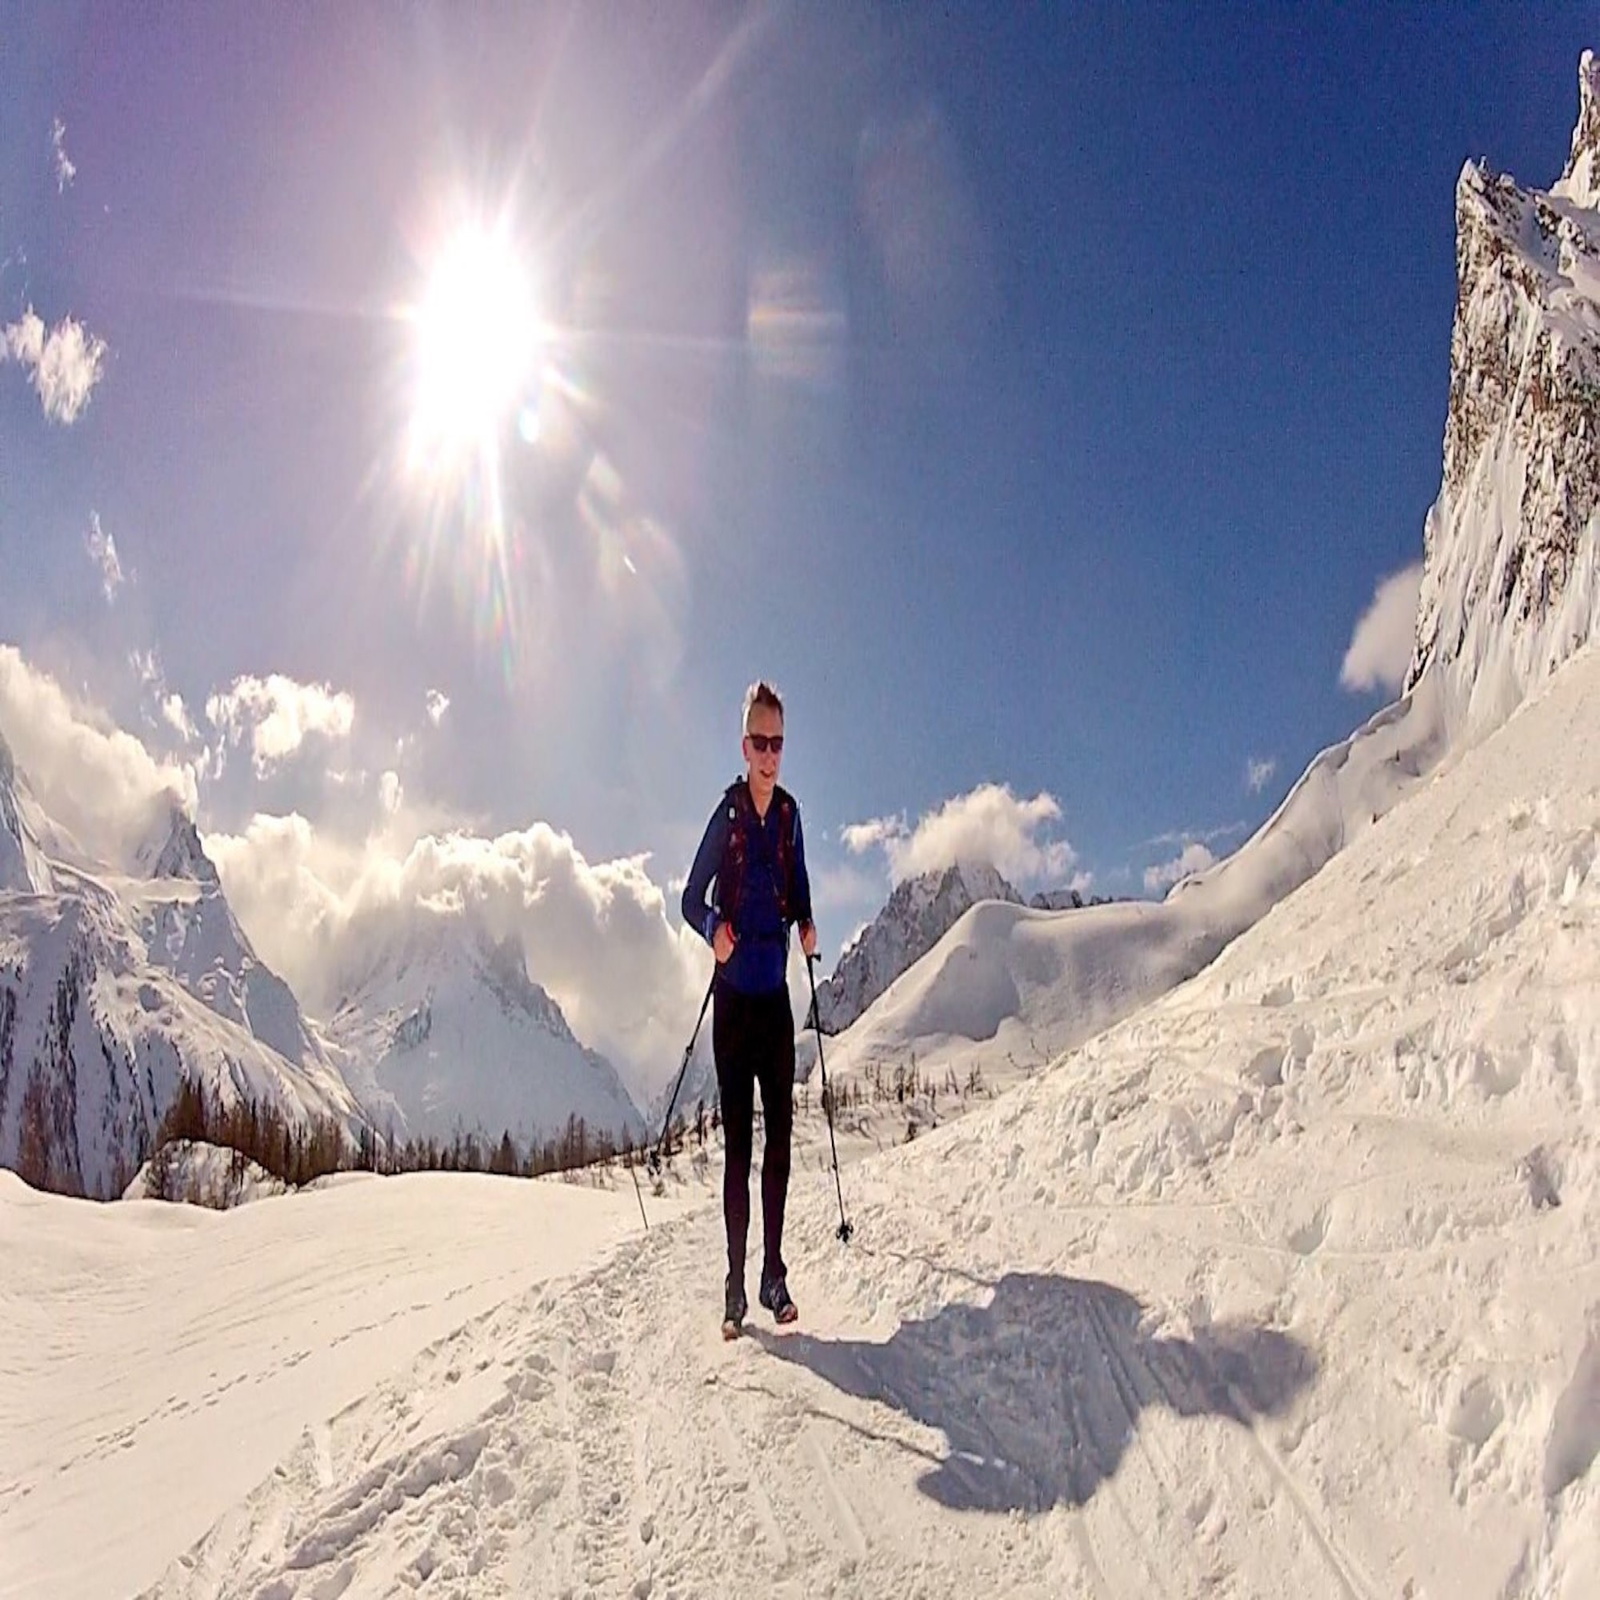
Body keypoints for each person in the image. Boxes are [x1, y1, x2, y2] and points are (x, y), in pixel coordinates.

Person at [682, 680, 817, 1337]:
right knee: (739, 1147)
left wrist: (811, 923)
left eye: (779, 744)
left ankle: (773, 1275)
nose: (770, 754)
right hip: (735, 1005)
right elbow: (687, 897)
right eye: (760, 742)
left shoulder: (790, 815)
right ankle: (735, 1284)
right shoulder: (729, 816)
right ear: (744, 745)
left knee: (782, 1144)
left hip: (777, 1004)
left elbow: (800, 885)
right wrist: (714, 927)